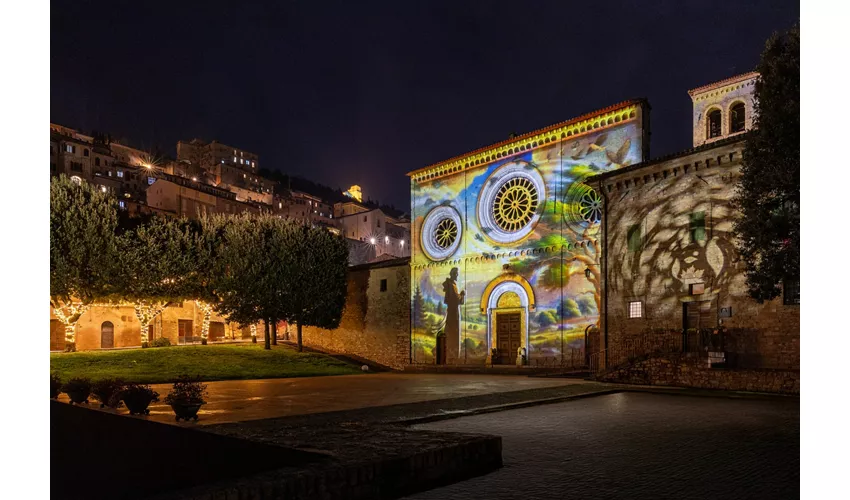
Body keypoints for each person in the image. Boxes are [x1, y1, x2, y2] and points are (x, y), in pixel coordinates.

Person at [442, 267, 465, 364]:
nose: (458, 275)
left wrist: (460, 295)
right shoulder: (451, 285)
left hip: (453, 310)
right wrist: (462, 294)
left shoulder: (452, 285)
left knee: (453, 330)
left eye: (457, 273)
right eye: (456, 273)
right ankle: (453, 356)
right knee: (454, 331)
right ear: (452, 274)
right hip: (453, 311)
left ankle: (453, 355)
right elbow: (456, 300)